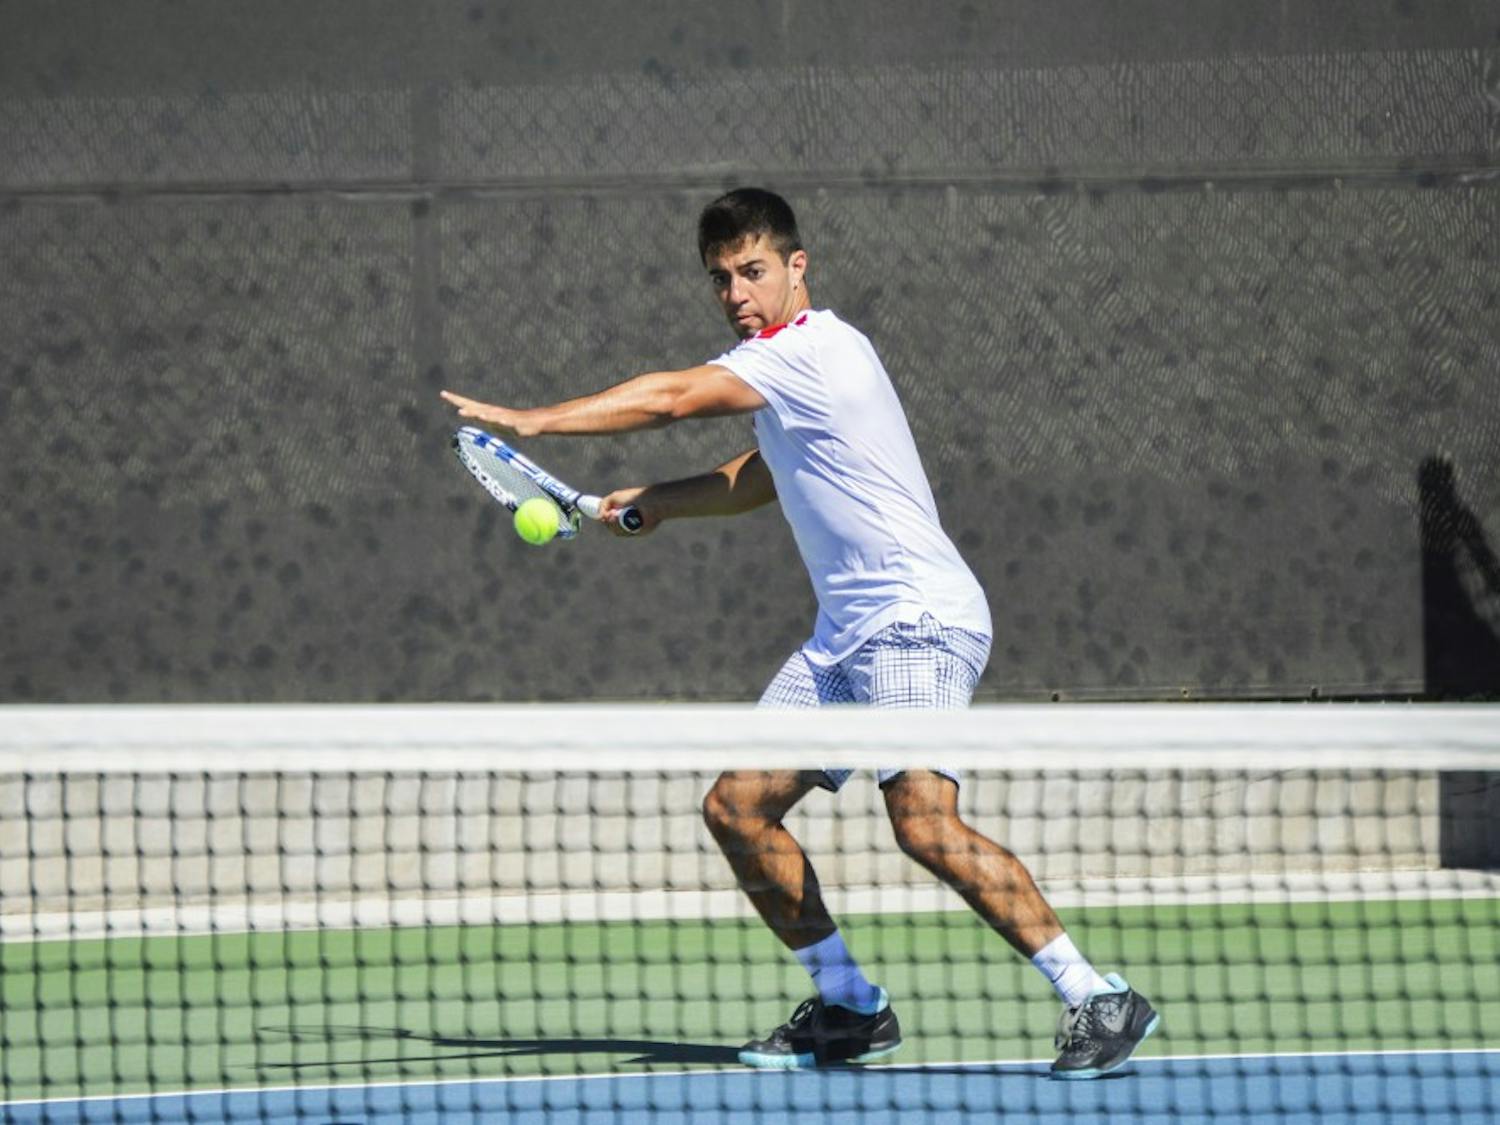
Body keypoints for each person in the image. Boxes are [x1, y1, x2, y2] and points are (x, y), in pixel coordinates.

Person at [440, 187, 1158, 1078]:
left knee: (924, 823)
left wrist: (540, 419)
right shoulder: (777, 371)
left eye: (752, 271)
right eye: (720, 279)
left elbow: (670, 400)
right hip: (845, 633)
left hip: (917, 617)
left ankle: (1097, 993)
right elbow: (756, 476)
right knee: (737, 806)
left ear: (795, 267)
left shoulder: (812, 350)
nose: (737, 292)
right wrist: (655, 504)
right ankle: (852, 1007)